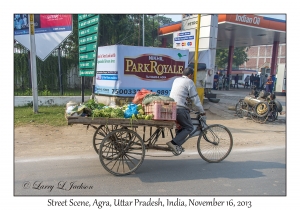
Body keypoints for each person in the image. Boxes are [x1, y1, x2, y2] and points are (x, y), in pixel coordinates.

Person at [168, 67, 206, 155]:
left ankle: (177, 145)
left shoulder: (176, 80)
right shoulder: (189, 82)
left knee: (181, 125)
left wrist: (186, 106)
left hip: (172, 107)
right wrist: (201, 110)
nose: (192, 77)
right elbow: (195, 99)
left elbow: (179, 95)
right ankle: (173, 143)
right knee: (189, 127)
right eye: (192, 76)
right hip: (179, 109)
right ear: (190, 75)